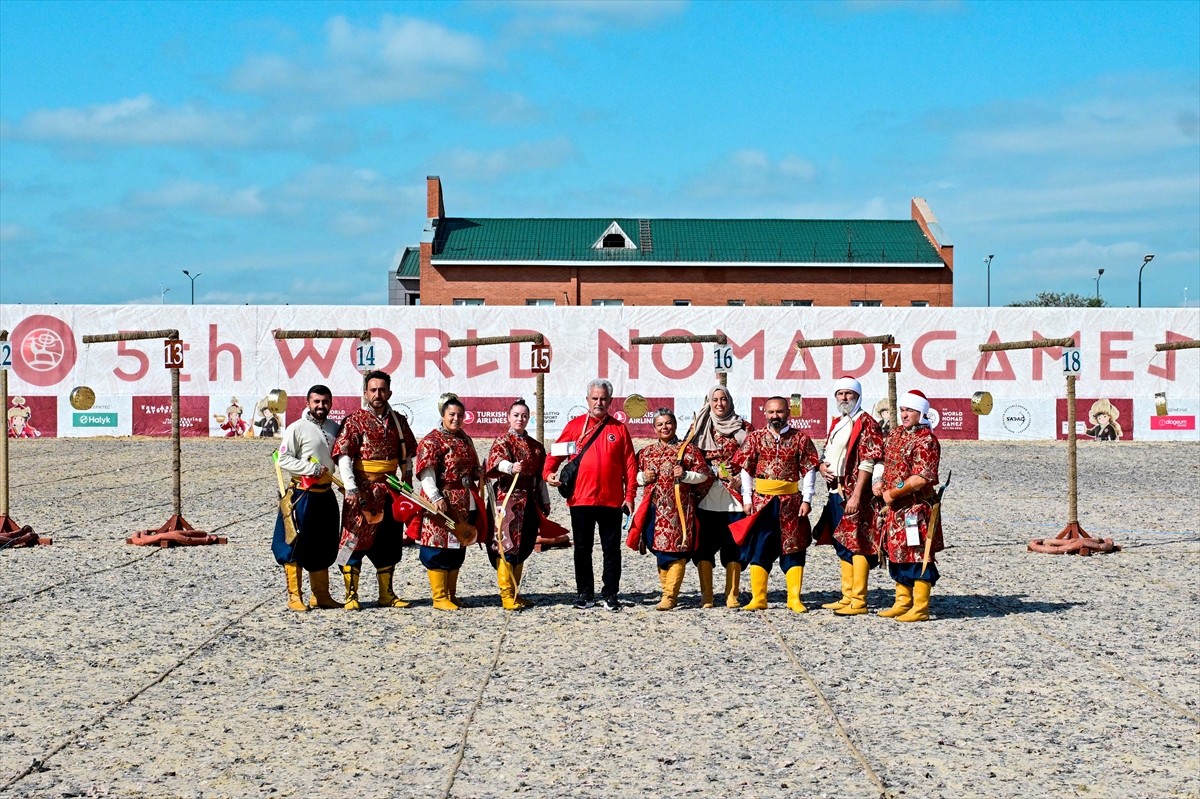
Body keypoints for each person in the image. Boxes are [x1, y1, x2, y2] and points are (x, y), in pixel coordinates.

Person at [545, 378, 637, 611]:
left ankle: (610, 594)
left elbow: (630, 466)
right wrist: (548, 474)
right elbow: (554, 454)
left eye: (603, 398)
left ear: (610, 401)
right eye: (595, 398)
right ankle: (585, 594)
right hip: (580, 499)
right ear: (587, 399)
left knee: (611, 550)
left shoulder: (619, 429)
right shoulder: (575, 426)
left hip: (611, 500)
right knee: (582, 549)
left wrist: (630, 496)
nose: (599, 402)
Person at [332, 370, 418, 610]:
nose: (377, 394)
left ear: (389, 392)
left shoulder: (399, 421)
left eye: (382, 390)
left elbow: (406, 455)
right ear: (365, 393)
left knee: (389, 541)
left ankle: (386, 594)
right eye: (373, 390)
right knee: (352, 540)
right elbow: (344, 456)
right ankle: (351, 595)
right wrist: (350, 487)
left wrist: (407, 480)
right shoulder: (354, 421)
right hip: (363, 491)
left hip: (391, 489)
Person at [732, 396, 820, 612]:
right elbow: (746, 469)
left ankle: (794, 598)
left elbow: (809, 469)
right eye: (771, 412)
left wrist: (807, 499)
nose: (775, 416)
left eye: (779, 412)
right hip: (762, 501)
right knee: (760, 546)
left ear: (788, 412)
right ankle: (759, 598)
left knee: (794, 546)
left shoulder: (800, 438)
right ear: (765, 413)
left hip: (791, 502)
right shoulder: (755, 438)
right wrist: (747, 498)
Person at [813, 377, 884, 616]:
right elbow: (828, 452)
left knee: (857, 543)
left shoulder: (866, 423)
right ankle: (847, 596)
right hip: (835, 490)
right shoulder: (838, 421)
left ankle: (859, 600)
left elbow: (868, 461)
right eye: (840, 394)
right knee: (842, 543)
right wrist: (822, 466)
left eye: (848, 393)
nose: (844, 398)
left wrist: (856, 496)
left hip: (853, 493)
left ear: (858, 395)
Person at [630, 409, 712, 610]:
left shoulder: (688, 450)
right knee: (659, 549)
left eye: (668, 423)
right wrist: (643, 477)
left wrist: (685, 475)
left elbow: (704, 475)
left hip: (679, 509)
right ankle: (667, 591)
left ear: (675, 425)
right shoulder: (646, 452)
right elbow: (631, 477)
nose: (664, 427)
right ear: (654, 428)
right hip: (653, 508)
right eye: (660, 424)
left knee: (676, 550)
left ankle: (669, 596)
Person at [873, 389, 943, 622]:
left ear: (921, 413)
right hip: (895, 509)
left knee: (917, 554)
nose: (904, 414)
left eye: (909, 410)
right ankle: (902, 602)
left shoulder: (927, 440)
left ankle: (921, 607)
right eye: (902, 410)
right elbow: (884, 460)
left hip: (915, 509)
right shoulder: (895, 434)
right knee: (897, 553)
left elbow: (921, 477)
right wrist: (879, 481)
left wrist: (893, 492)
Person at [272, 385, 342, 611]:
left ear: (331, 403)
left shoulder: (334, 428)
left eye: (325, 401)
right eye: (316, 401)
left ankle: (320, 595)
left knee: (323, 543)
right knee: (294, 544)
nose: (321, 406)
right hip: (302, 495)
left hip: (326, 494)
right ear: (308, 403)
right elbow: (283, 459)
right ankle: (295, 597)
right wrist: (310, 469)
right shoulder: (297, 428)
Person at [415, 395, 485, 612]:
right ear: (443, 415)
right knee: (437, 547)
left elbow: (472, 467)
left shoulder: (465, 438)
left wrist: (479, 473)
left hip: (463, 501)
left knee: (457, 546)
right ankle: (439, 597)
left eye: (460, 415)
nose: (456, 419)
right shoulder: (432, 441)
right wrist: (435, 497)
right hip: (441, 501)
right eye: (452, 415)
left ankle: (451, 594)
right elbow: (427, 472)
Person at [691, 385, 752, 608]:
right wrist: (710, 471)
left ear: (730, 401)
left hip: (734, 497)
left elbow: (754, 457)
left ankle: (732, 593)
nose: (719, 404)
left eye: (723, 399)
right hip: (706, 494)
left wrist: (741, 478)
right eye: (715, 399)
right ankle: (706, 594)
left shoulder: (744, 427)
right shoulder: (699, 425)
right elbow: (690, 456)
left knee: (734, 544)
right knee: (704, 545)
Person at [485, 399, 549, 611]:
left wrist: (544, 500)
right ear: (508, 417)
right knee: (506, 546)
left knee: (524, 546)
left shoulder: (536, 447)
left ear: (528, 418)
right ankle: (506, 595)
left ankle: (515, 592)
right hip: (506, 500)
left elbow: (540, 477)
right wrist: (510, 467)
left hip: (529, 501)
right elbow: (496, 461)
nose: (520, 419)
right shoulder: (502, 441)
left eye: (524, 415)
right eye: (516, 415)